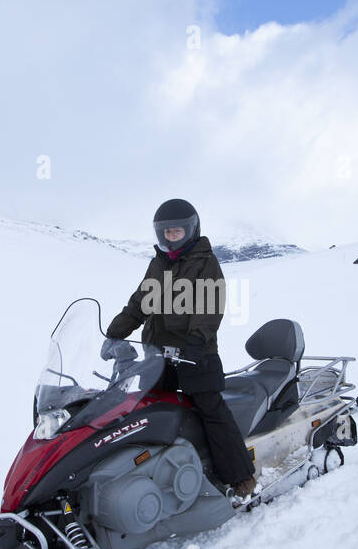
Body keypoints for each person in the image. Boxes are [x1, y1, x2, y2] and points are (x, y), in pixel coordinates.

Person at [101, 199, 259, 503]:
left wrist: (197, 342)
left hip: (195, 355)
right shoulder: (158, 263)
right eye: (167, 232)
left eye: (177, 231)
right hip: (158, 357)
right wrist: (115, 333)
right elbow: (140, 303)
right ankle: (158, 473)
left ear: (191, 230)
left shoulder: (204, 262)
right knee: (151, 411)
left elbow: (209, 307)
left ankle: (241, 478)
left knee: (210, 410)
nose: (172, 237)